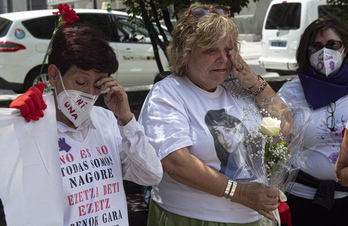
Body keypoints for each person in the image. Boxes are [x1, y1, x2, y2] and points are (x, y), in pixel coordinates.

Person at [139, 3, 293, 225]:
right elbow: (176, 163)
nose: (223, 58)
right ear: (185, 54)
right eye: (211, 50)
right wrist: (240, 193)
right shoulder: (168, 93)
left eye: (228, 49)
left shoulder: (239, 87)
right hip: (195, 218)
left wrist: (254, 83)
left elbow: (286, 128)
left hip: (255, 217)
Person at [5, 23, 162, 225]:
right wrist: (14, 127)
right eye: (80, 82)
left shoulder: (105, 122)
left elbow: (151, 175)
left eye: (98, 85)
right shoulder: (34, 125)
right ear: (53, 75)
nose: (88, 93)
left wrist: (126, 119)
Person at [277, 17, 348, 225]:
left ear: (345, 48)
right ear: (306, 52)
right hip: (300, 198)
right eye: (315, 46)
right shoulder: (292, 91)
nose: (324, 52)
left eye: (332, 44)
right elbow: (274, 139)